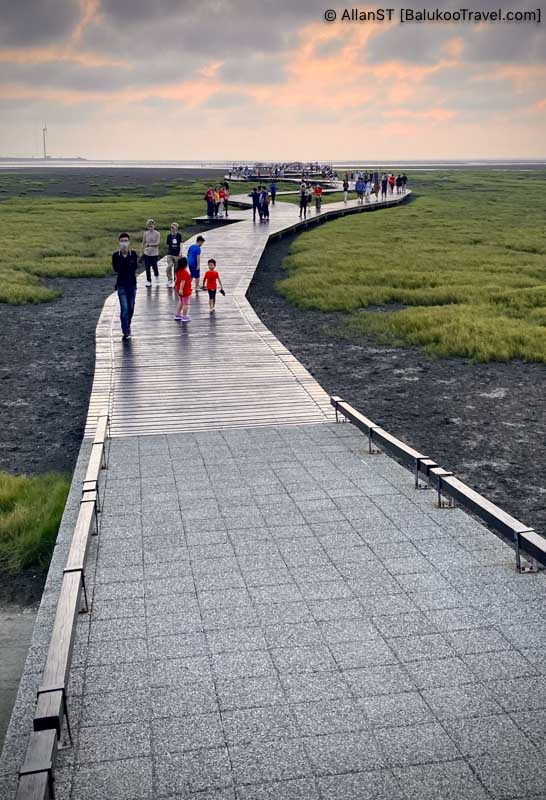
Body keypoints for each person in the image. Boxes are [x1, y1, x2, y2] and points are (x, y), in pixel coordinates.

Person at [112, 232, 138, 340]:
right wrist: (121, 255)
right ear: (119, 242)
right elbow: (116, 269)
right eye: (122, 241)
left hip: (132, 284)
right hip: (121, 285)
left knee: (131, 307)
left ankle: (128, 323)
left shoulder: (133, 254)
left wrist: (127, 254)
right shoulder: (115, 255)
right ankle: (126, 331)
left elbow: (134, 268)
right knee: (124, 309)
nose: (124, 243)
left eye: (126, 241)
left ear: (129, 242)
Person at [141, 219, 160, 287]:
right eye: (149, 226)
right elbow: (143, 242)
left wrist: (149, 244)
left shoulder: (157, 233)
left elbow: (157, 243)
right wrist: (142, 250)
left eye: (151, 226)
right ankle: (148, 280)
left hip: (154, 253)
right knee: (147, 267)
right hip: (147, 253)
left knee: (154, 266)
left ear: (154, 226)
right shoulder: (145, 233)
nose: (150, 227)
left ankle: (157, 275)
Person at [174, 256, 192, 322]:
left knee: (181, 302)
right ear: (185, 264)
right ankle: (184, 316)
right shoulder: (185, 272)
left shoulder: (178, 271)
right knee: (185, 304)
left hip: (179, 289)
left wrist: (175, 286)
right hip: (185, 290)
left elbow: (176, 279)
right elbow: (182, 281)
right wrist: (181, 289)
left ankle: (178, 315)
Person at [165, 222, 182, 288]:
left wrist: (180, 252)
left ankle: (176, 281)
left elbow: (180, 244)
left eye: (173, 227)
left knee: (176, 269)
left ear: (176, 228)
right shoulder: (169, 236)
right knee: (169, 265)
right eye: (171, 227)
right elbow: (168, 245)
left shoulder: (179, 235)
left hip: (177, 254)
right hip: (170, 254)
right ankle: (169, 279)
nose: (172, 228)